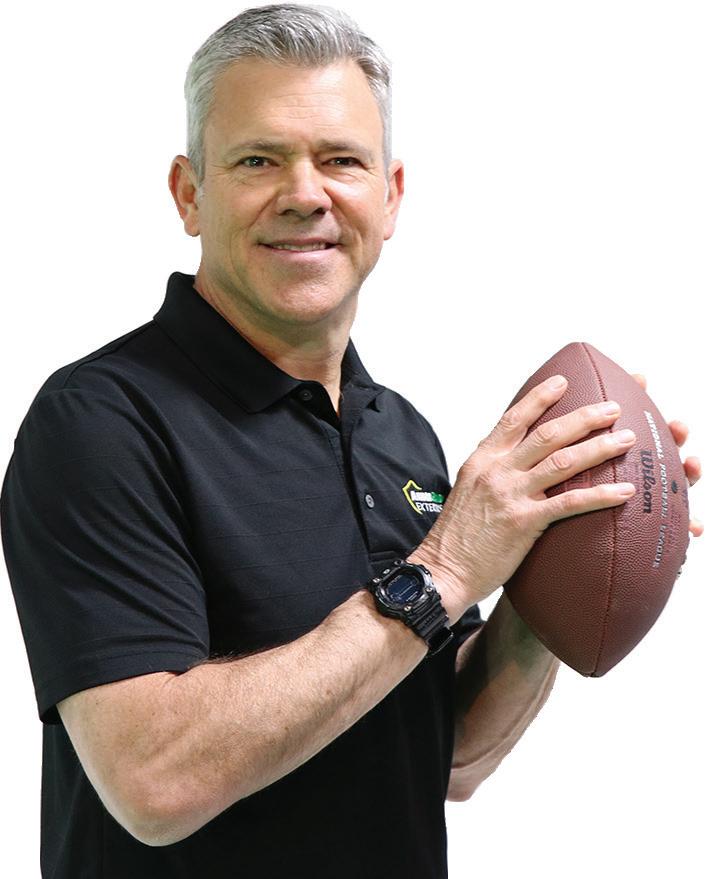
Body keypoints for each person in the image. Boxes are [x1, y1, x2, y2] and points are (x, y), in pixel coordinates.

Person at [1, 5, 701, 878]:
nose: (306, 194)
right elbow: (154, 779)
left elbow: (452, 754)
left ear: (390, 194)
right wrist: (448, 566)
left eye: (340, 160)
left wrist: (547, 563)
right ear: (188, 194)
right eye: (258, 160)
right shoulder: (101, 422)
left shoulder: (399, 433)